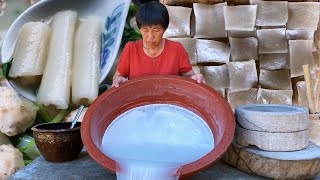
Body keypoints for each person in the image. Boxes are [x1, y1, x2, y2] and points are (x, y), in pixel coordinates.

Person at [112, 1, 206, 88]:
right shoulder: (131, 48)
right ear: (139, 29)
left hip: (169, 101)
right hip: (138, 101)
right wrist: (117, 80)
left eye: (156, 30)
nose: (150, 36)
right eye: (145, 30)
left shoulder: (176, 49)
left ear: (164, 29)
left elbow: (189, 75)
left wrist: (195, 78)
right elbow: (118, 76)